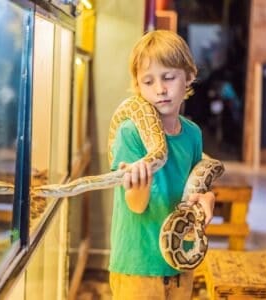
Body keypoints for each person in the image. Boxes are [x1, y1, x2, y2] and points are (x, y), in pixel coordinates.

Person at [109, 30, 216, 300]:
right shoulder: (130, 133)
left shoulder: (193, 134)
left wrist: (207, 199)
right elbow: (135, 205)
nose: (160, 89)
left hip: (181, 263)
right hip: (138, 264)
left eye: (168, 77)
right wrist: (139, 185)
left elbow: (192, 192)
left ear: (189, 76)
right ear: (138, 87)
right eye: (148, 81)